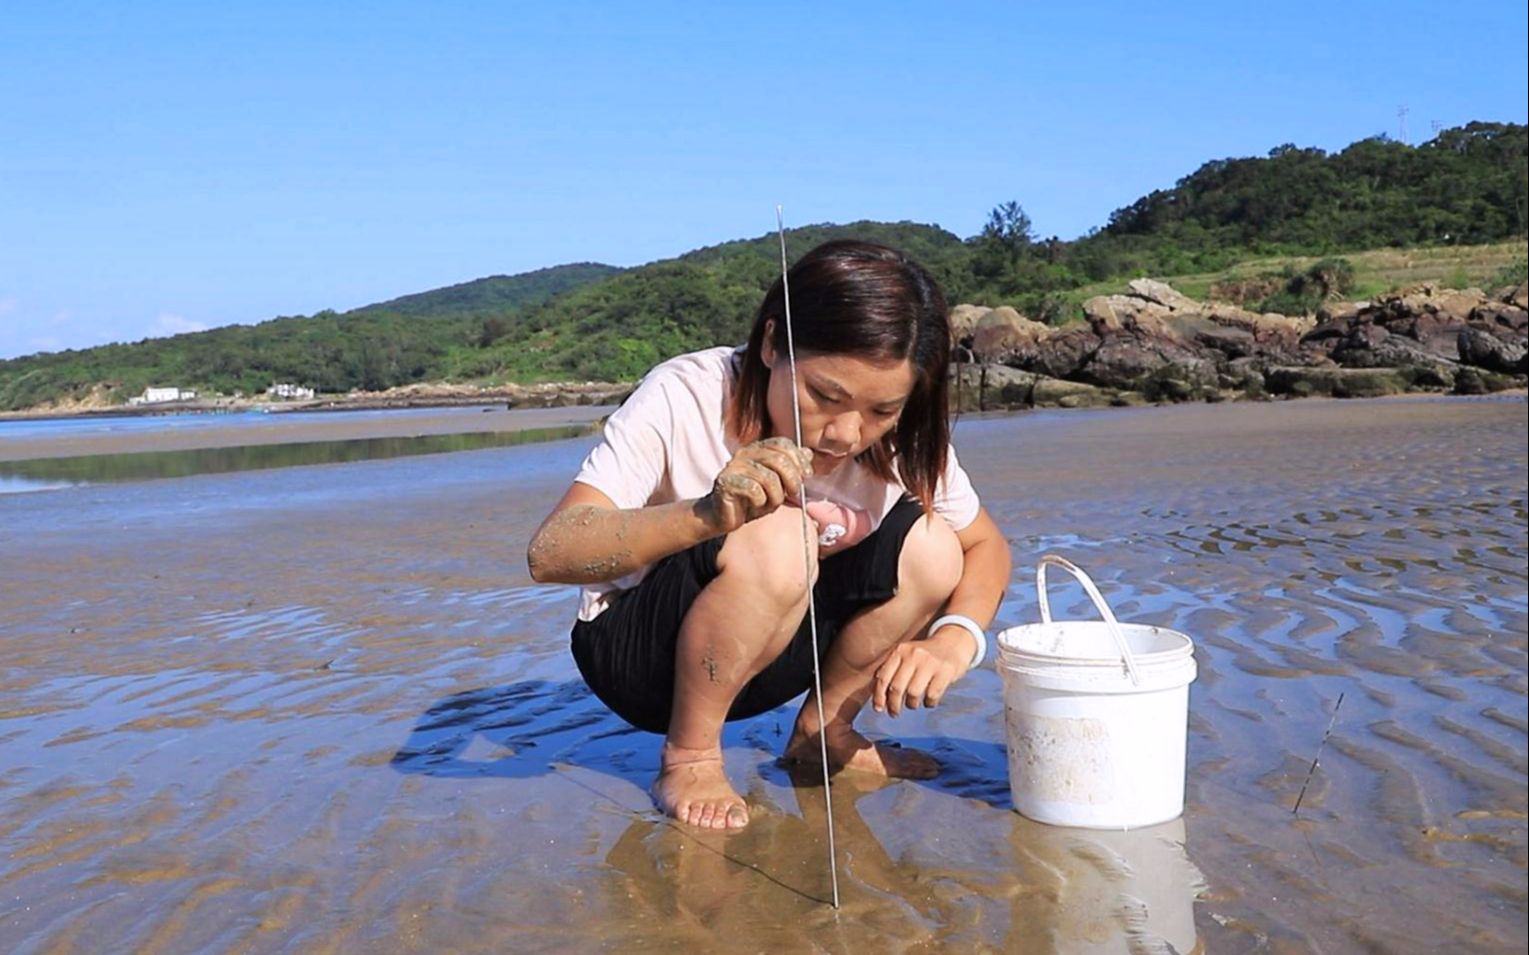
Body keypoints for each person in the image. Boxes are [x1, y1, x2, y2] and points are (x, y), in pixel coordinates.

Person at [527, 239, 1011, 830]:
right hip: (639, 659)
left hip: (776, 652)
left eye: (882, 410)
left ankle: (822, 732)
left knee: (935, 549)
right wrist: (707, 513)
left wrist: (955, 640)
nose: (846, 432)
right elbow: (552, 553)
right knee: (780, 529)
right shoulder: (688, 393)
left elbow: (985, 546)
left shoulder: (896, 438)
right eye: (825, 396)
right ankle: (690, 755)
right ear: (771, 344)